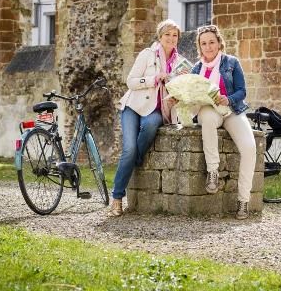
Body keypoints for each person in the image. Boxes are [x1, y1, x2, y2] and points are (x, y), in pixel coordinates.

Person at [109, 19, 185, 216]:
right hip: (134, 106)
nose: (171, 38)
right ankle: (117, 197)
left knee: (151, 125)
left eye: (174, 35)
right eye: (167, 34)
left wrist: (179, 93)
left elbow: (181, 90)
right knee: (129, 149)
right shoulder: (147, 54)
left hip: (158, 111)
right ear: (160, 37)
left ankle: (135, 160)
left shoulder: (180, 63)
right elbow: (131, 81)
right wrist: (154, 79)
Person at [191, 24, 256, 220]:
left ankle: (243, 200)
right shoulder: (196, 68)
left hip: (231, 110)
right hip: (208, 110)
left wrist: (229, 99)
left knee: (250, 147)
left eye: (212, 42)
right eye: (204, 43)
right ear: (199, 47)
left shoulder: (231, 62)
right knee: (209, 120)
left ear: (219, 43)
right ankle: (213, 172)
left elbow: (241, 91)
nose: (208, 46)